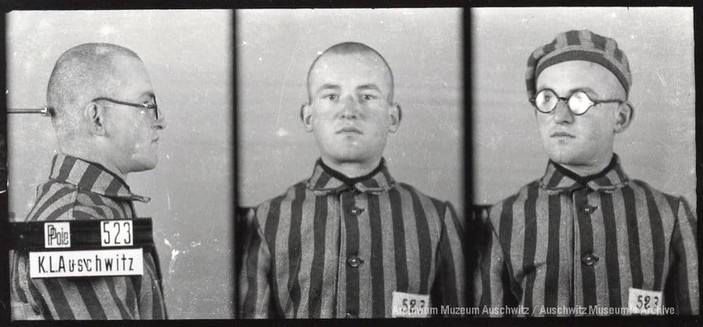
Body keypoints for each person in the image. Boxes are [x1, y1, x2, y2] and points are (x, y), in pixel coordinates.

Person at [474, 30, 699, 316]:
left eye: (580, 100)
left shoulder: (670, 215)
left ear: (620, 117)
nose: (560, 115)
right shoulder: (504, 217)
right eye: (547, 99)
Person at [238, 42, 466, 318]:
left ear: (392, 118)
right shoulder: (267, 219)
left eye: (367, 97)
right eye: (331, 96)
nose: (349, 110)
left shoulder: (435, 218)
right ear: (308, 117)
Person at [10, 43, 167, 319]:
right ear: (97, 119)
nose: (160, 120)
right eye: (146, 104)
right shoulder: (78, 224)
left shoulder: (91, 208)